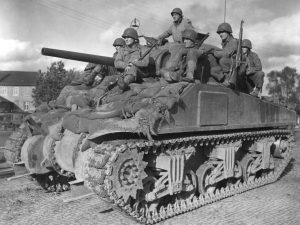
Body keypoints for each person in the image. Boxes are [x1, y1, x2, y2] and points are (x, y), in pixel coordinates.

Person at [213, 22, 238, 86]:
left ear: (228, 32)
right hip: (229, 63)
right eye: (219, 33)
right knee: (213, 69)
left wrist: (214, 52)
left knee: (223, 60)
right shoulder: (224, 43)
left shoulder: (233, 41)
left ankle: (228, 80)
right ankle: (222, 80)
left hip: (234, 64)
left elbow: (226, 53)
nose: (220, 34)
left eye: (222, 32)